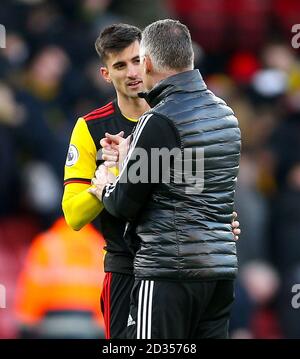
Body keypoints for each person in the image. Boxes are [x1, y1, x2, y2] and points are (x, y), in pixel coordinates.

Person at [62, 23, 241, 339]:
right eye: (120, 65)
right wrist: (112, 178)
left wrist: (219, 222)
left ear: (148, 60)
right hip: (126, 268)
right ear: (106, 74)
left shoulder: (175, 117)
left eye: (135, 60)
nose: (131, 72)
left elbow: (191, 191)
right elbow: (74, 215)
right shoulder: (90, 127)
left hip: (171, 266)